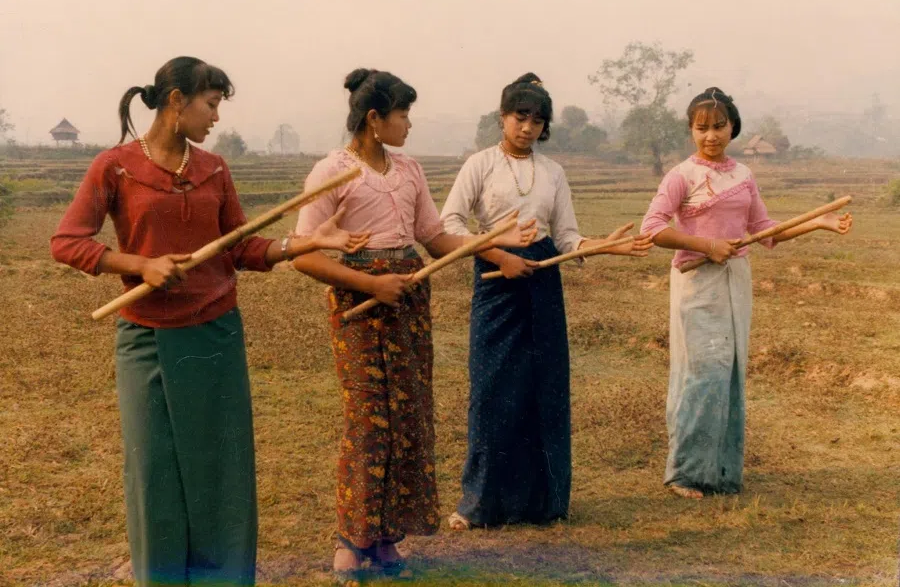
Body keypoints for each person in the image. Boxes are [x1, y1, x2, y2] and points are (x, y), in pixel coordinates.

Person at [49, 56, 368, 586]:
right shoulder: (116, 166)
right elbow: (67, 242)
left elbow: (241, 247)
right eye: (211, 104)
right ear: (177, 101)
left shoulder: (214, 169)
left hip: (215, 333)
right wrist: (139, 265)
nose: (216, 118)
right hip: (146, 338)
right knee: (155, 470)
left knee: (221, 469)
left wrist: (302, 243)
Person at [290, 68, 536, 582]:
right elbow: (306, 255)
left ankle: (385, 538)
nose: (409, 124)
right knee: (368, 417)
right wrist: (370, 285)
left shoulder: (409, 170)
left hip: (408, 304)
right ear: (374, 119)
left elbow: (434, 236)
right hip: (360, 306)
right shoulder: (331, 172)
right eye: (403, 114)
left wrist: (497, 252)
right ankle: (350, 537)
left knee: (407, 416)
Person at [439, 73, 653, 530]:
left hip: (543, 281)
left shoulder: (553, 172)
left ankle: (543, 503)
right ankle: (479, 505)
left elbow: (567, 237)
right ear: (502, 117)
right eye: (520, 117)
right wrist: (498, 254)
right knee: (493, 390)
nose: (528, 127)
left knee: (544, 389)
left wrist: (603, 247)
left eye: (538, 120)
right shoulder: (479, 165)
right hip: (496, 281)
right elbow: (449, 224)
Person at [640, 87, 853, 499]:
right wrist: (708, 246)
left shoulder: (743, 176)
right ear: (690, 131)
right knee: (702, 373)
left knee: (728, 371)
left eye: (719, 126)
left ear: (733, 127)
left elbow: (765, 231)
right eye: (702, 128)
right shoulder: (681, 175)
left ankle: (720, 473)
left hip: (735, 280)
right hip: (696, 280)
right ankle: (686, 474)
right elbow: (652, 229)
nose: (711, 136)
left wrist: (820, 222)